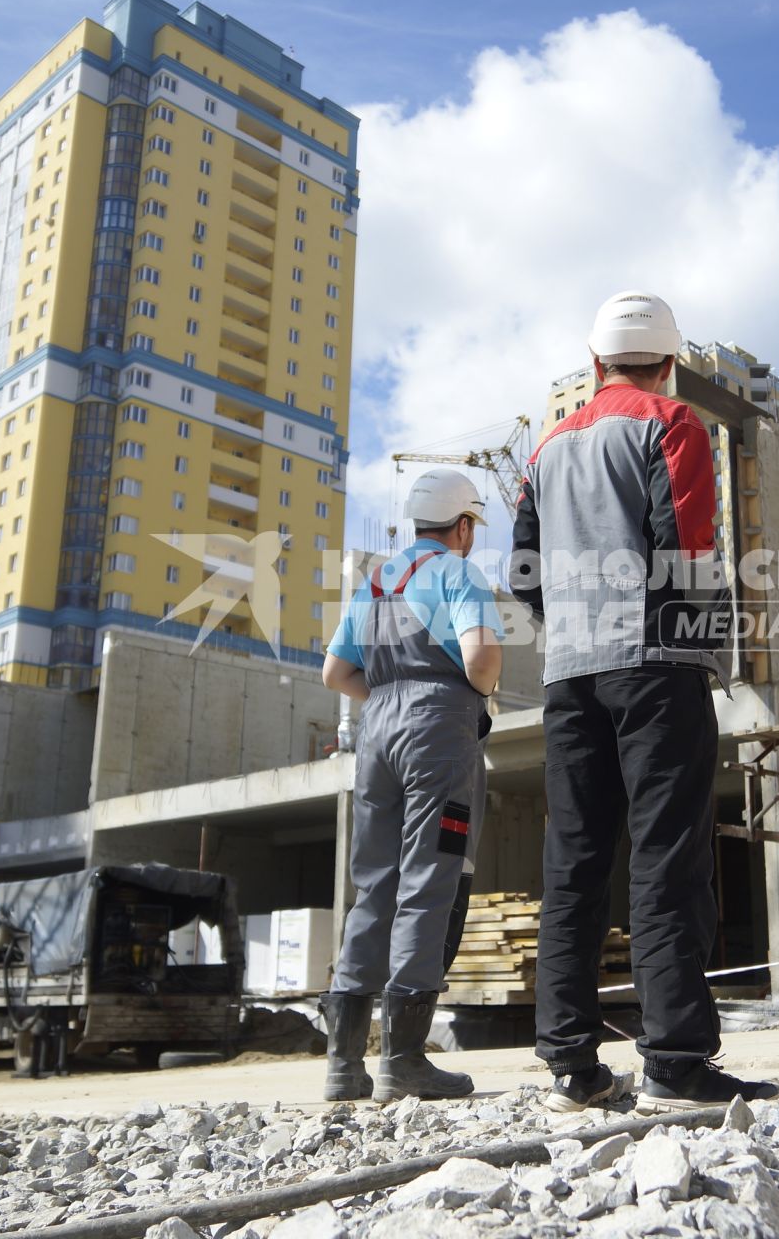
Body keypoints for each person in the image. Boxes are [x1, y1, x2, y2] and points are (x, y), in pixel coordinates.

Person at [511, 291, 779, 1113]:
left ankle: (571, 1069)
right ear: (670, 364)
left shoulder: (546, 448)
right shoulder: (673, 423)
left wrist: (574, 630)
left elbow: (522, 574)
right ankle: (675, 1064)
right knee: (668, 856)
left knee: (575, 862)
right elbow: (686, 547)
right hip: (653, 664)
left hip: (569, 675)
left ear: (594, 364)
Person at [318, 469, 503, 1101]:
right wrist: (465, 697)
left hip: (376, 732)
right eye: (472, 525)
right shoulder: (458, 573)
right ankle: (404, 1060)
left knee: (374, 885)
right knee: (429, 879)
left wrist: (390, 701)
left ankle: (343, 1066)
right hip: (437, 730)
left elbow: (336, 672)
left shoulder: (375, 581)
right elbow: (480, 658)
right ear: (461, 525)